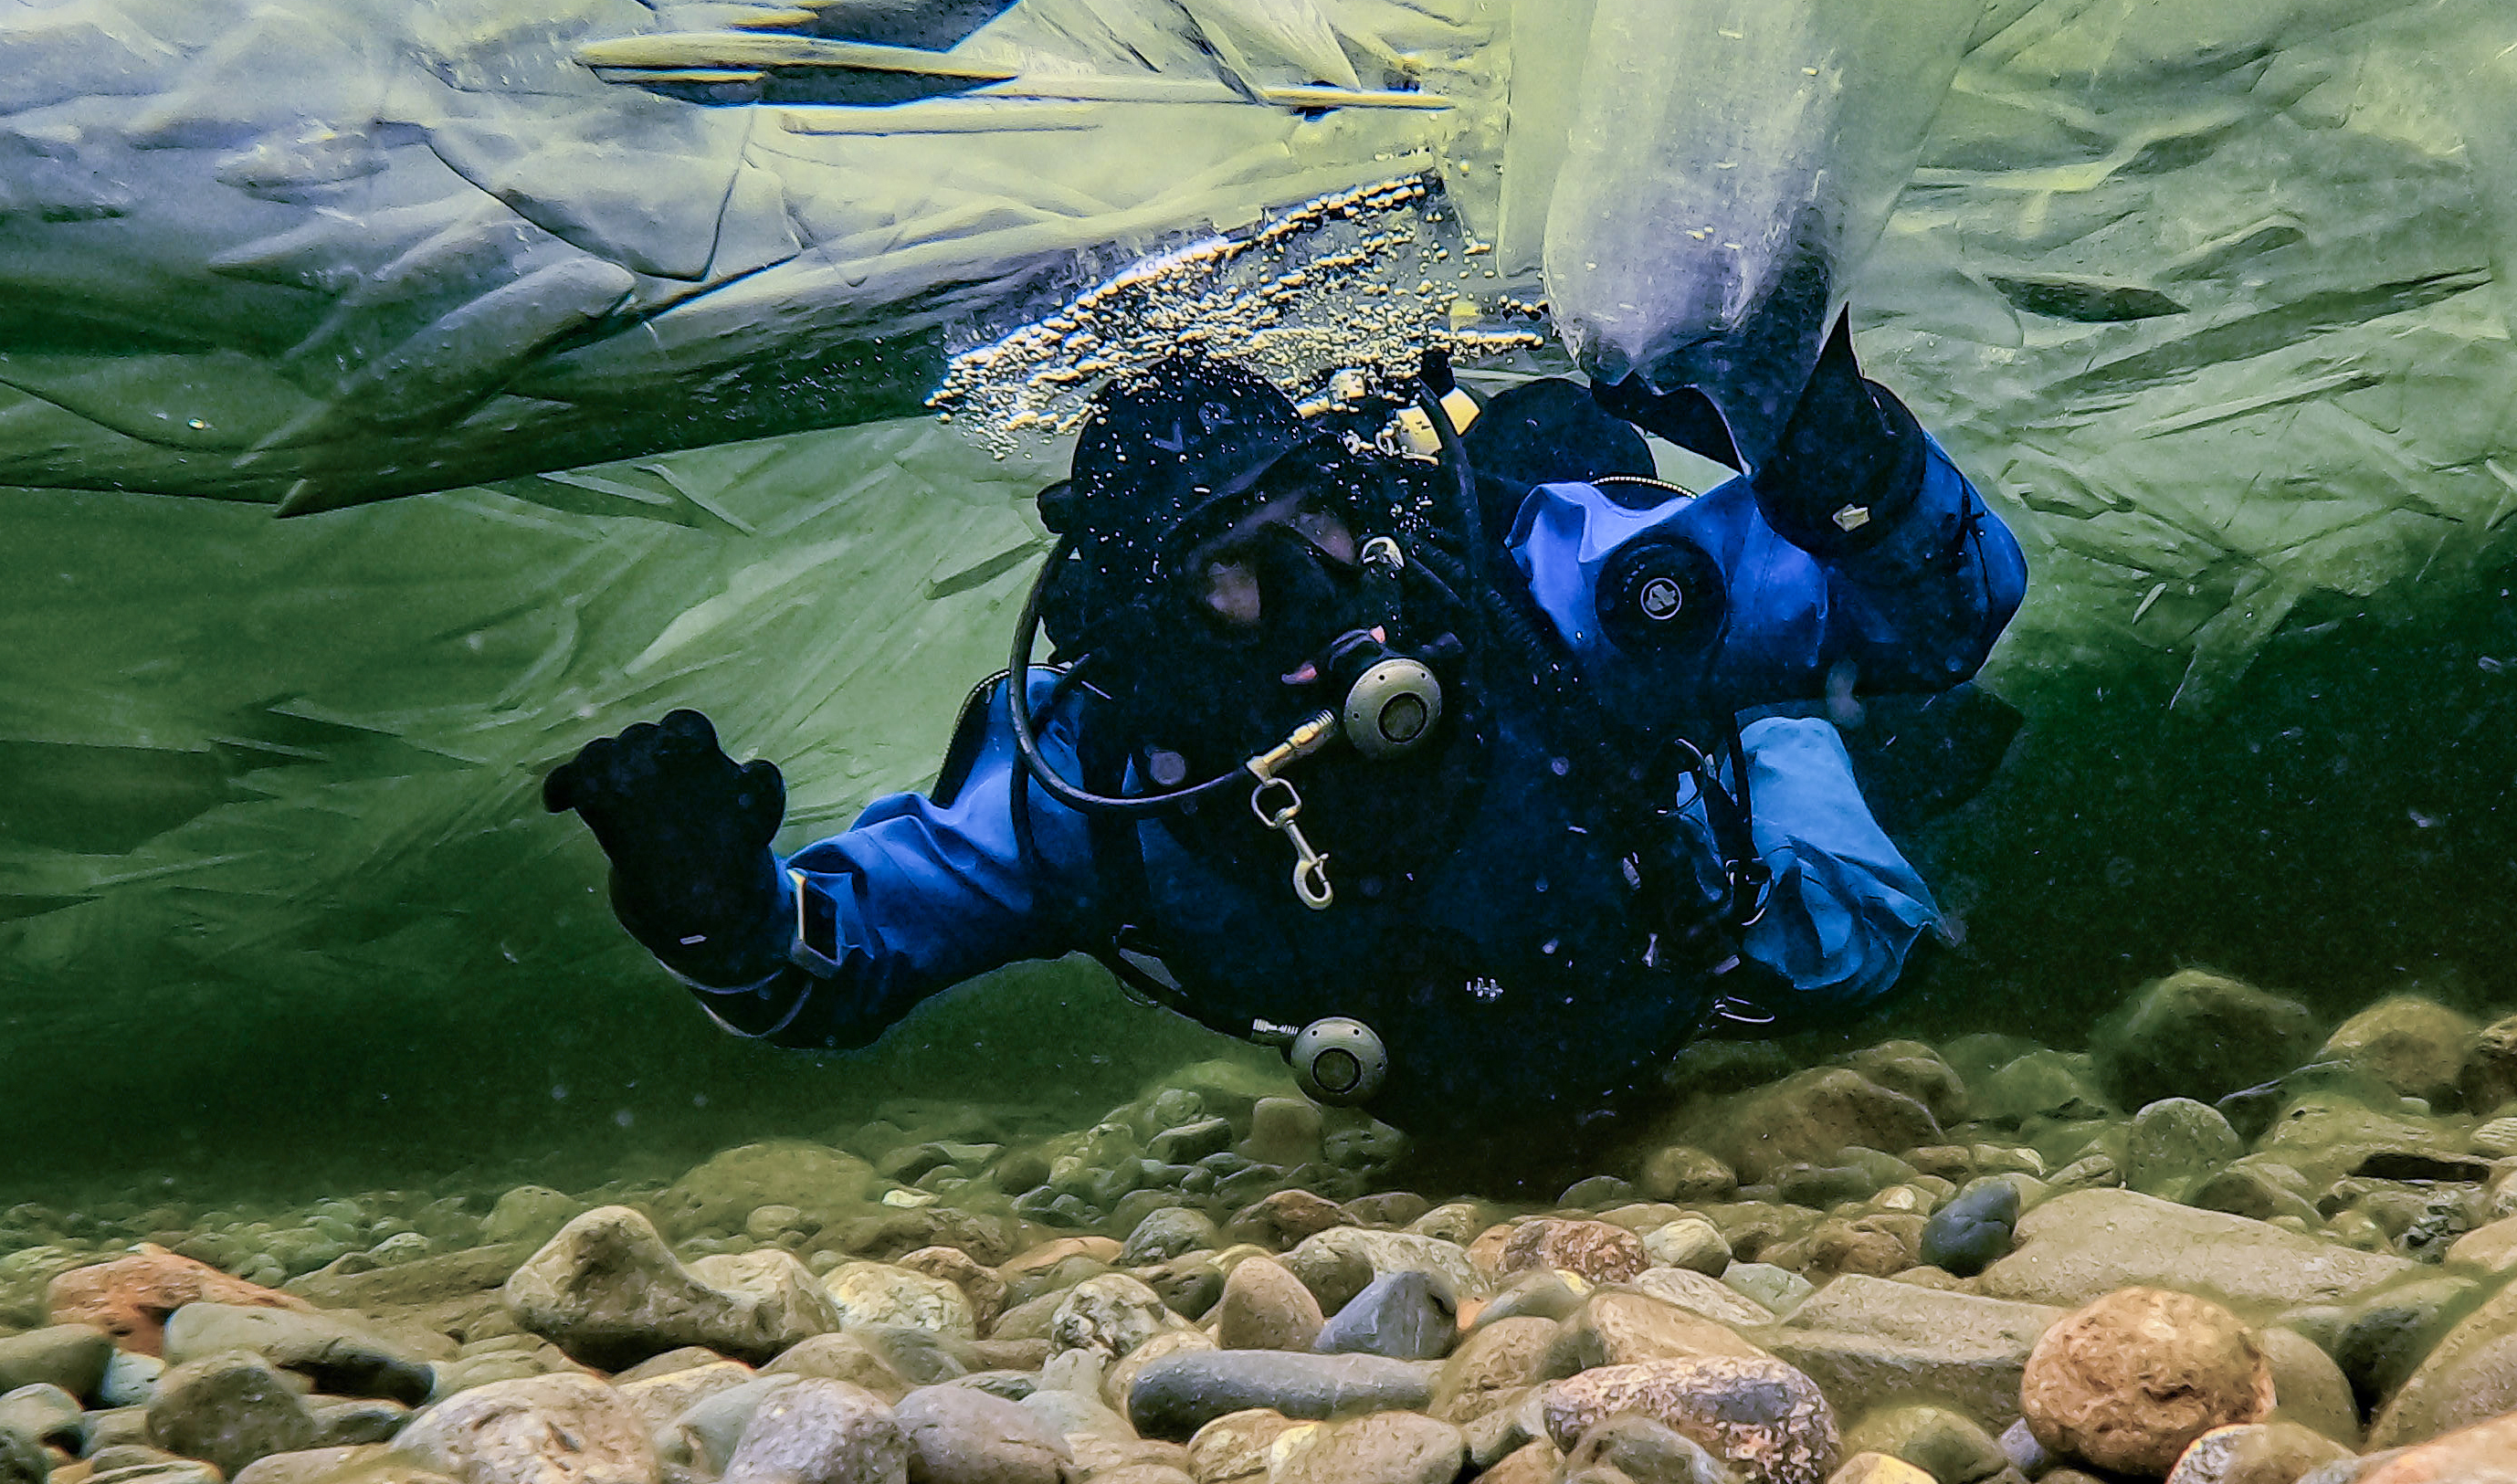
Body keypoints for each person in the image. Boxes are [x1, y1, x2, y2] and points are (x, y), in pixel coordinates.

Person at [540, 327, 2024, 1166]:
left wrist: (1851, 465)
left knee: (1866, 941)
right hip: (1467, 1085)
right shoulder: (1092, 783)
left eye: (1313, 513)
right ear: (1144, 620)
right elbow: (830, 967)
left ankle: (1786, 729)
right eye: (1225, 566)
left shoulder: (1541, 582)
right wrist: (713, 914)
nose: (1312, 584)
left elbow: (1945, 616)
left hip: (1723, 956)